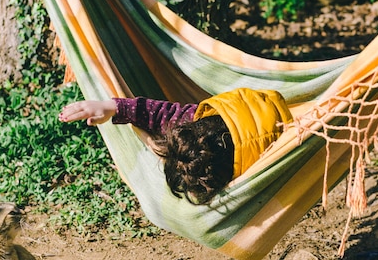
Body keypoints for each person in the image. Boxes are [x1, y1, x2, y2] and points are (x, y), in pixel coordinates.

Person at [59, 88, 293, 205]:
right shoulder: (198, 125)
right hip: (241, 112)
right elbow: (164, 114)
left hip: (265, 122)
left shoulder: (263, 161)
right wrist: (112, 107)